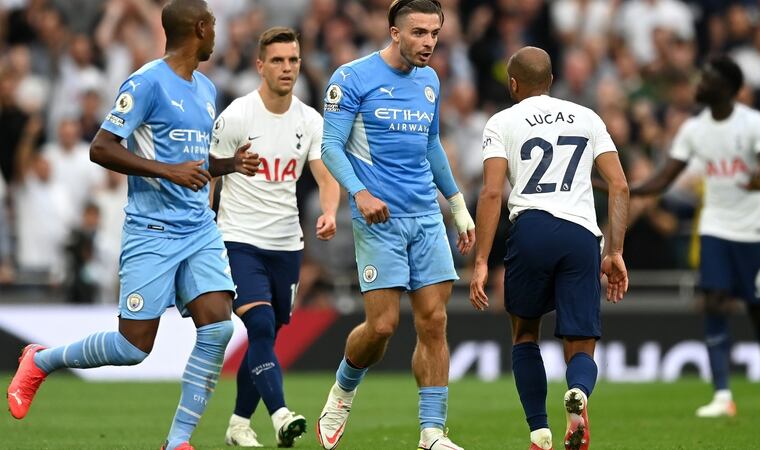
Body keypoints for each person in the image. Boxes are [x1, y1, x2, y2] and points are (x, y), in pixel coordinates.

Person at [5, 2, 260, 449]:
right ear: (200, 28)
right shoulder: (145, 82)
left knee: (219, 328)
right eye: (213, 26)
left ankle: (177, 441)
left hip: (198, 228)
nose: (216, 34)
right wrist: (167, 172)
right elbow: (101, 148)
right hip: (153, 230)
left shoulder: (204, 88)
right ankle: (41, 360)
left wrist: (228, 165)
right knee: (133, 347)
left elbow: (193, 164)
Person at [315, 1, 476, 449]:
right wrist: (359, 194)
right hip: (379, 218)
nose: (428, 42)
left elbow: (431, 145)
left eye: (434, 34)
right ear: (395, 32)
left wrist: (458, 206)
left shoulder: (430, 80)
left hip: (426, 215)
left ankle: (431, 434)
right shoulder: (352, 78)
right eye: (419, 32)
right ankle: (343, 390)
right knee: (382, 326)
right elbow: (330, 146)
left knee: (435, 321)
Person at [469, 47, 630, 450]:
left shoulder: (501, 121)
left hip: (532, 229)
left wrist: (482, 260)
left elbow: (491, 193)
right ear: (552, 81)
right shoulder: (587, 117)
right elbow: (621, 186)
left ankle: (539, 432)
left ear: (512, 84)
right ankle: (577, 392)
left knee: (525, 334)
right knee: (581, 341)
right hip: (580, 234)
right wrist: (615, 251)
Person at [626, 55, 760, 419]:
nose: (699, 83)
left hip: (754, 231)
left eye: (708, 78)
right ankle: (722, 394)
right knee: (714, 302)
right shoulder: (693, 130)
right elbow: (664, 178)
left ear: (727, 87)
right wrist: (623, 188)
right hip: (715, 228)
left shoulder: (754, 123)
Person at [210, 27, 340, 448]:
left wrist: (330, 211)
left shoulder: (310, 120)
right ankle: (281, 414)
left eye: (294, 60)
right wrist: (204, 228)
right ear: (260, 65)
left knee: (267, 336)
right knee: (261, 324)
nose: (287, 67)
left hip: (287, 245)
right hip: (238, 238)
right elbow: (208, 172)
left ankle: (238, 424)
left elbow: (325, 176)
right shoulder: (237, 116)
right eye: (279, 60)